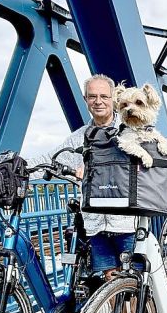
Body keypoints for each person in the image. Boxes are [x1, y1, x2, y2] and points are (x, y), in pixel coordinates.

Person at [56, 74, 137, 281]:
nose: (98, 101)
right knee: (109, 280)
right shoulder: (79, 137)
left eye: (104, 96)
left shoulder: (129, 131)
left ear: (113, 100)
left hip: (126, 221)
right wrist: (19, 166)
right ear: (85, 100)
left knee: (131, 281)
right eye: (92, 96)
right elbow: (52, 158)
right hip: (95, 222)